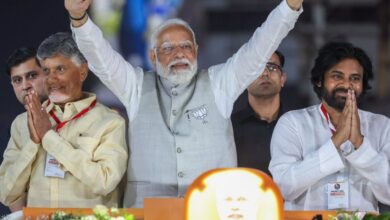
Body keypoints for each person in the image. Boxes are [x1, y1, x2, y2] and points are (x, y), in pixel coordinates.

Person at [65, 0, 304, 207]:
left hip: (211, 207)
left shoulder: (219, 82)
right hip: (148, 210)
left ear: (196, 51)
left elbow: (259, 49)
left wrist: (290, 7)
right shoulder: (135, 86)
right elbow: (101, 58)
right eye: (168, 48)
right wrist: (79, 19)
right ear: (153, 56)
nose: (179, 53)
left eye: (186, 46)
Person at [0, 33, 128, 208]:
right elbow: (5, 194)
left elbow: (105, 182)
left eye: (60, 69)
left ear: (82, 71)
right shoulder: (23, 123)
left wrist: (49, 137)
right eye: (46, 71)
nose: (51, 79)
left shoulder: (110, 122)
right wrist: (33, 142)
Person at [269, 42, 390, 211]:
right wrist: (336, 142)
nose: (347, 84)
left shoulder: (382, 126)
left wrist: (360, 144)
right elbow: (283, 188)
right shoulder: (292, 123)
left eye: (355, 78)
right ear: (319, 81)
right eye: (337, 76)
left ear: (363, 85)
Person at [0, 47, 48, 213]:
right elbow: (8, 193)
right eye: (17, 80)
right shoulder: (19, 125)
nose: (25, 86)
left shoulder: (75, 113)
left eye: (32, 76)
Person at [231, 51, 287, 176]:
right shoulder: (227, 129)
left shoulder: (299, 125)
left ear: (282, 79)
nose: (265, 73)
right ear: (244, 81)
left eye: (272, 67)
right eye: (256, 68)